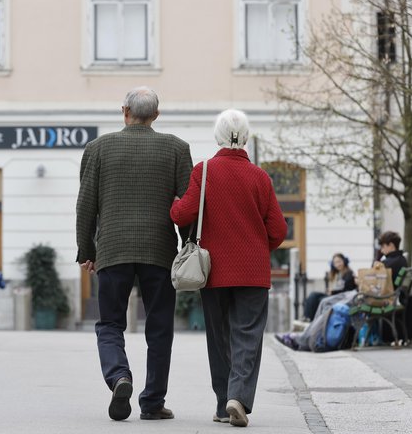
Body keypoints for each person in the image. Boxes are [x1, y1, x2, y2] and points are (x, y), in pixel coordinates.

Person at [76, 86, 193, 422]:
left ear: (124, 111)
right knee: (159, 329)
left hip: (112, 250)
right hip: (159, 251)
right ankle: (153, 401)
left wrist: (88, 250)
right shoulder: (176, 149)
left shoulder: (98, 149)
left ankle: (119, 377)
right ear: (156, 115)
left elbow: (85, 207)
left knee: (110, 323)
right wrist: (189, 247)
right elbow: (186, 209)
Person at [170, 109, 287, 428]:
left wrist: (175, 202)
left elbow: (183, 215)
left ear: (217, 137)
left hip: (214, 271)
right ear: (246, 137)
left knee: (219, 337)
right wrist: (258, 249)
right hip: (252, 272)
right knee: (247, 335)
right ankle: (239, 396)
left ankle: (223, 405)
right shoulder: (260, 177)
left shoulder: (204, 171)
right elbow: (278, 229)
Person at [303, 253, 356, 321]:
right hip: (335, 294)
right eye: (335, 263)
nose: (338, 264)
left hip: (342, 297)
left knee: (321, 300)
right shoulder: (338, 274)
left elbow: (346, 290)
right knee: (313, 295)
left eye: (339, 261)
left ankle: (314, 320)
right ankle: (307, 317)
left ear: (344, 261)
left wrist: (333, 292)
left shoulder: (349, 274)